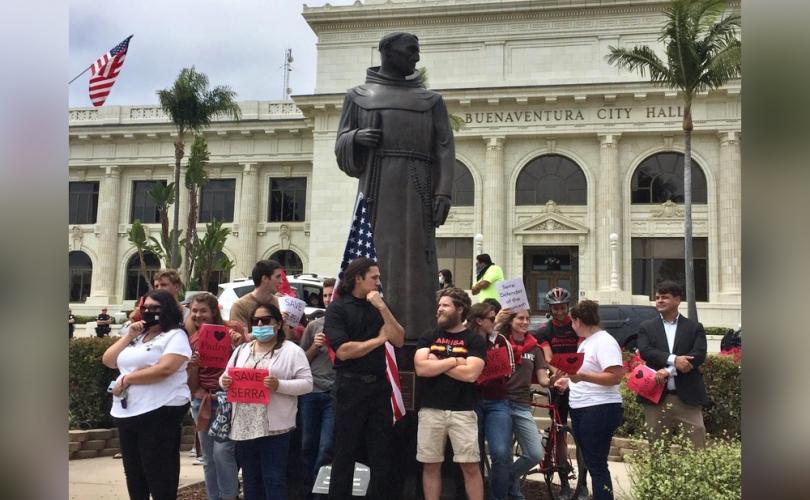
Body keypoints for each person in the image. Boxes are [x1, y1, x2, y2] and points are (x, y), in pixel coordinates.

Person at [334, 32, 455, 343]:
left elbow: (444, 148)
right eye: (410, 51)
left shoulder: (431, 102)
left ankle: (417, 331)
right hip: (379, 187)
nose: (416, 58)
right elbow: (341, 146)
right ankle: (374, 329)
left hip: (418, 188)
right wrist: (356, 138)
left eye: (417, 51)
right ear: (386, 52)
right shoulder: (359, 96)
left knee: (417, 258)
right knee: (379, 253)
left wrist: (442, 192)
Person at [323, 258, 405, 500]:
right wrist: (379, 341)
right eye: (374, 277)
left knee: (381, 452)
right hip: (349, 387)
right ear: (358, 278)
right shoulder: (338, 309)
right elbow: (344, 351)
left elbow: (399, 339)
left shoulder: (379, 306)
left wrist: (382, 308)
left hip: (378, 387)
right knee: (344, 453)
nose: (379, 282)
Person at [101, 289, 192, 500]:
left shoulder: (175, 335)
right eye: (146, 308)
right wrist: (129, 336)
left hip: (160, 410)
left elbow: (165, 369)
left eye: (156, 308)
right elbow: (109, 360)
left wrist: (127, 379)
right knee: (134, 473)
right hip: (129, 412)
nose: (150, 312)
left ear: (168, 309)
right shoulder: (138, 336)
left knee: (159, 472)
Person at [220, 303, 313, 500]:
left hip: (275, 428)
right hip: (244, 426)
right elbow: (225, 377)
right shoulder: (242, 350)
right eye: (256, 321)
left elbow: (307, 384)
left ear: (278, 323)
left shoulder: (291, 351)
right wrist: (225, 381)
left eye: (266, 320)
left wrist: (279, 385)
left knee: (274, 478)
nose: (260, 324)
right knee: (251, 479)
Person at [414, 288, 487, 500]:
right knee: (430, 465)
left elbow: (471, 374)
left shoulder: (474, 340)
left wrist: (438, 363)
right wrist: (455, 360)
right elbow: (421, 368)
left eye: (445, 306)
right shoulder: (429, 336)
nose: (439, 310)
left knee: (471, 467)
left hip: (463, 412)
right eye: (439, 306)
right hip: (430, 410)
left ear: (460, 309)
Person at [554, 300, 624, 500]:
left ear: (578, 320)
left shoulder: (604, 341)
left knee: (596, 463)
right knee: (591, 461)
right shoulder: (586, 342)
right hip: (582, 407)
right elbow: (586, 373)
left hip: (599, 408)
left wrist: (582, 378)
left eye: (572, 322)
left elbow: (615, 376)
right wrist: (569, 382)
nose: (571, 326)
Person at [186, 292, 248, 500]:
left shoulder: (233, 330)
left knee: (223, 453)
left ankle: (229, 496)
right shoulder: (191, 338)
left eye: (203, 310)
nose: (198, 315)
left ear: (214, 311)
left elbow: (248, 362)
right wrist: (193, 367)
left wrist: (238, 345)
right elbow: (192, 385)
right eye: (194, 310)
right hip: (201, 402)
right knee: (208, 457)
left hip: (227, 402)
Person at [637, 281, 708, 449]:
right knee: (658, 449)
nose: (660, 300)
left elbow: (698, 356)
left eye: (665, 297)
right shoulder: (647, 327)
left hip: (687, 398)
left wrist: (669, 370)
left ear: (677, 300)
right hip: (656, 398)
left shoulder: (694, 328)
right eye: (657, 297)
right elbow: (646, 351)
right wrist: (674, 360)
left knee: (697, 445)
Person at [496, 308, 551, 500]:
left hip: (522, 405)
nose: (525, 322)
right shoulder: (499, 342)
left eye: (527, 318)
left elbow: (543, 378)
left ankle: (508, 478)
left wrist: (555, 381)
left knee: (535, 454)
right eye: (520, 318)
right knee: (502, 455)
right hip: (499, 403)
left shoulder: (535, 348)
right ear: (511, 321)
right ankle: (509, 492)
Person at [535, 287, 584, 491]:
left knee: (581, 433)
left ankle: (582, 482)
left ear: (568, 306)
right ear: (550, 308)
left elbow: (584, 350)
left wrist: (575, 376)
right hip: (559, 383)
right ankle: (564, 479)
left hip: (579, 382)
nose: (559, 311)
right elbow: (547, 358)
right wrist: (562, 375)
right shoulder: (544, 330)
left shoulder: (576, 327)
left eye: (562, 307)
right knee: (561, 432)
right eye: (555, 308)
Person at [468, 302, 514, 500]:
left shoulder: (500, 340)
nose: (495, 322)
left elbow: (509, 370)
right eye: (491, 318)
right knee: (471, 455)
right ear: (478, 320)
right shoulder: (465, 339)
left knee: (502, 453)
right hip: (471, 401)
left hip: (497, 401)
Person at [299, 278, 337, 499]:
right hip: (311, 393)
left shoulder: (347, 326)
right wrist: (315, 345)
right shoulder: (314, 325)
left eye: (332, 295)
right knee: (307, 446)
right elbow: (301, 359)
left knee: (326, 447)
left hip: (333, 394)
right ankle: (308, 488)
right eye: (324, 295)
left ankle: (318, 495)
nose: (328, 299)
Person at [230, 260, 282, 330]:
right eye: (278, 277)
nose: (281, 281)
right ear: (265, 278)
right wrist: (269, 331)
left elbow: (285, 336)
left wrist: (285, 324)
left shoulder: (279, 302)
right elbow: (240, 337)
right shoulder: (240, 306)